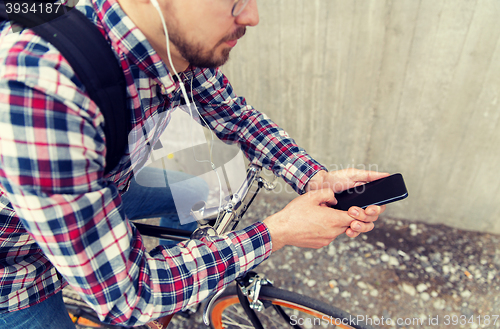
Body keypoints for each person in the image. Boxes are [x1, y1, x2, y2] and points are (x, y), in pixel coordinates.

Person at [0, 0, 387, 327]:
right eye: (232, 0)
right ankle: (167, 285)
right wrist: (277, 231)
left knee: (203, 188)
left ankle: (178, 284)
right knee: (124, 298)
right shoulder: (41, 92)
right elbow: (128, 293)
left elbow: (237, 117)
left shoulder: (172, 45)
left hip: (99, 186)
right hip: (17, 263)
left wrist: (315, 179)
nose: (252, 16)